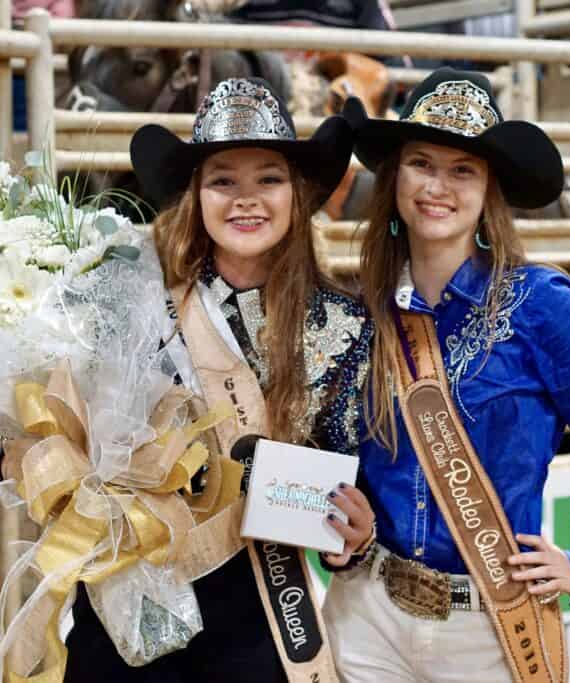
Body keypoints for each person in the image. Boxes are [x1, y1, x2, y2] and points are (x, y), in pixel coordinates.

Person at [323, 67, 570, 682]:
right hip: (367, 611)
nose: (438, 186)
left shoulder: (541, 305)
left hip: (487, 626)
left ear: (488, 192)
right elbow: (351, 453)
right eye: (422, 163)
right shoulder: (367, 309)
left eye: (464, 170)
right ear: (396, 177)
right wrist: (350, 520)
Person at [63, 77, 376, 683]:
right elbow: (47, 415)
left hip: (259, 601)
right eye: (223, 180)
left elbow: (346, 471)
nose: (246, 199)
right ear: (196, 195)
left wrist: (354, 536)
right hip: (130, 592)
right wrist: (30, 466)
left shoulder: (343, 321)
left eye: (269, 178)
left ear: (299, 192)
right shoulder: (128, 291)